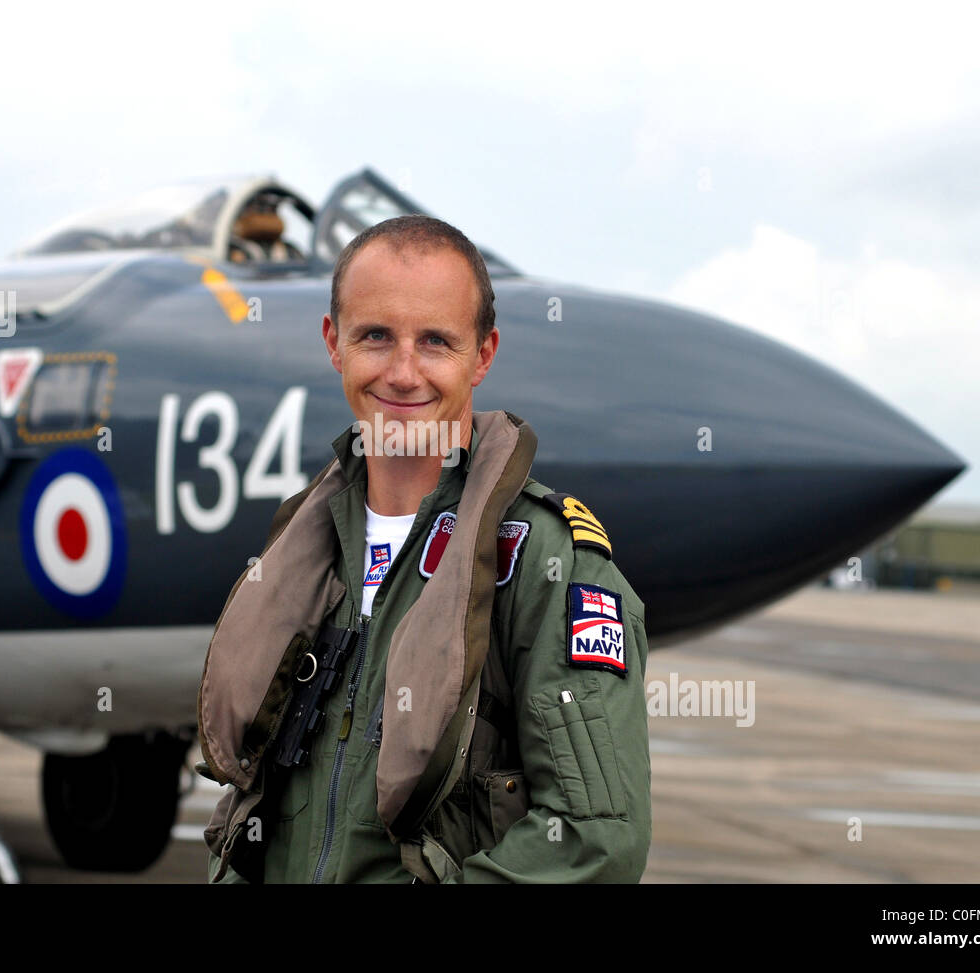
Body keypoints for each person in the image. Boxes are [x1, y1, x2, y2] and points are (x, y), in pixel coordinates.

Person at [197, 215, 650, 883]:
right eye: (376, 336)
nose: (404, 373)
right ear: (334, 343)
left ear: (483, 354)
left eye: (436, 341)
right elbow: (251, 809)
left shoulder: (545, 562)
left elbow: (594, 840)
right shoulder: (309, 549)